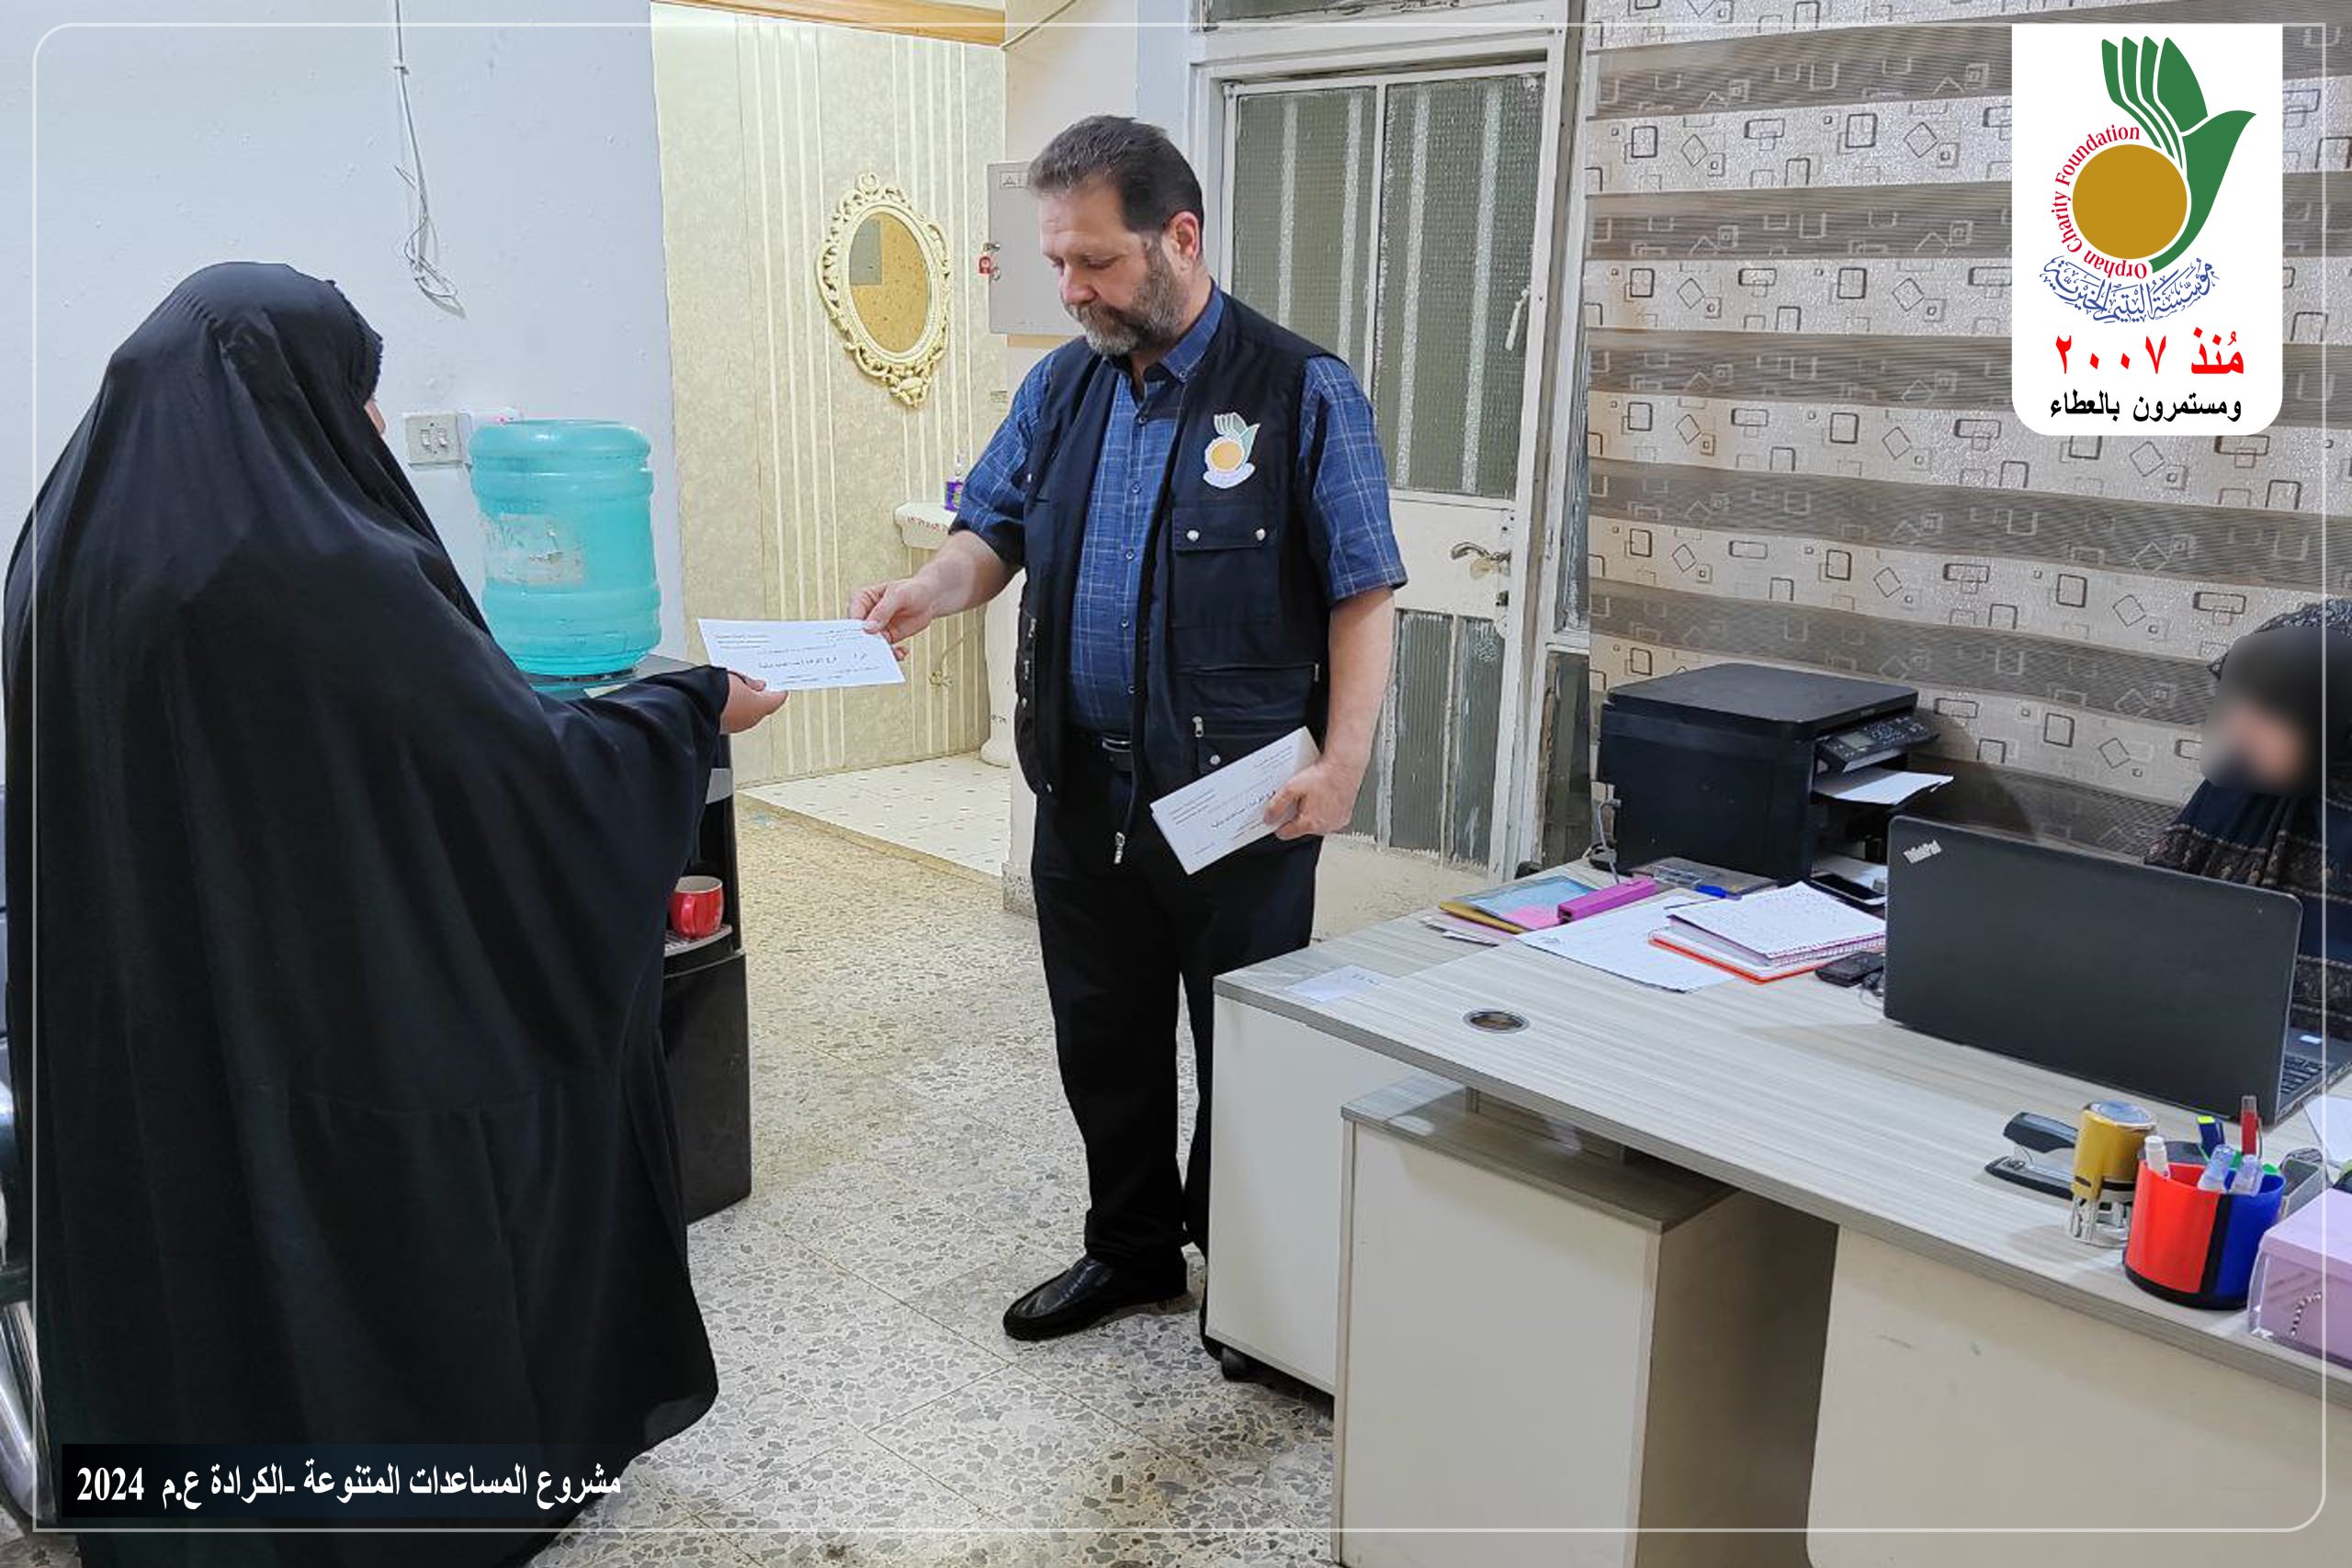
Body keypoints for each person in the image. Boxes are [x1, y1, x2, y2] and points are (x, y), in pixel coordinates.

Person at [4, 263, 786, 1567]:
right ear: (286, 392)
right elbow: (514, 784)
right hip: (324, 1013)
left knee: (192, 1259)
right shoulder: (309, 566)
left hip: (141, 1018)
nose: (374, 428)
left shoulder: (67, 540)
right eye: (357, 396)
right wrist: (689, 707)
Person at [851, 117, 1404, 1345]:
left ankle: (1252, 1279)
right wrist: (924, 594)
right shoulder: (1061, 385)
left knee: (1245, 1046)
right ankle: (1133, 1250)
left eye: (1094, 261)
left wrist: (1344, 761)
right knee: (1103, 1039)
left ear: (1179, 237)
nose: (1072, 288)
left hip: (1240, 800)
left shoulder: (1298, 386)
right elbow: (988, 532)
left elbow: (1364, 586)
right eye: (1057, 262)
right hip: (1083, 795)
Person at [2147, 600, 2350, 1036]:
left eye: (2271, 708)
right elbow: (2147, 927)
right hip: (2205, 1039)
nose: (2238, 726)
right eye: (2240, 697)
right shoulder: (2237, 792)